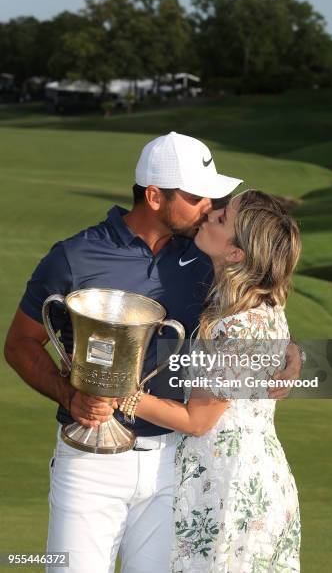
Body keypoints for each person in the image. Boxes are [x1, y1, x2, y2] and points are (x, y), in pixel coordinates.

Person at [4, 132, 302, 573]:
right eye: (197, 195)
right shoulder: (74, 257)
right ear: (155, 196)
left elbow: (255, 305)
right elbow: (20, 344)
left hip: (175, 463)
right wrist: (70, 396)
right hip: (90, 463)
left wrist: (289, 354)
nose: (210, 208)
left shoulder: (208, 258)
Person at [120, 189, 302, 572]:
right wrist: (294, 352)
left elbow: (197, 420)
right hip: (236, 481)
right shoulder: (257, 303)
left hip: (233, 492)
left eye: (222, 220)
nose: (210, 214)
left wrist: (119, 392)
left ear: (235, 253)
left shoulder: (237, 324)